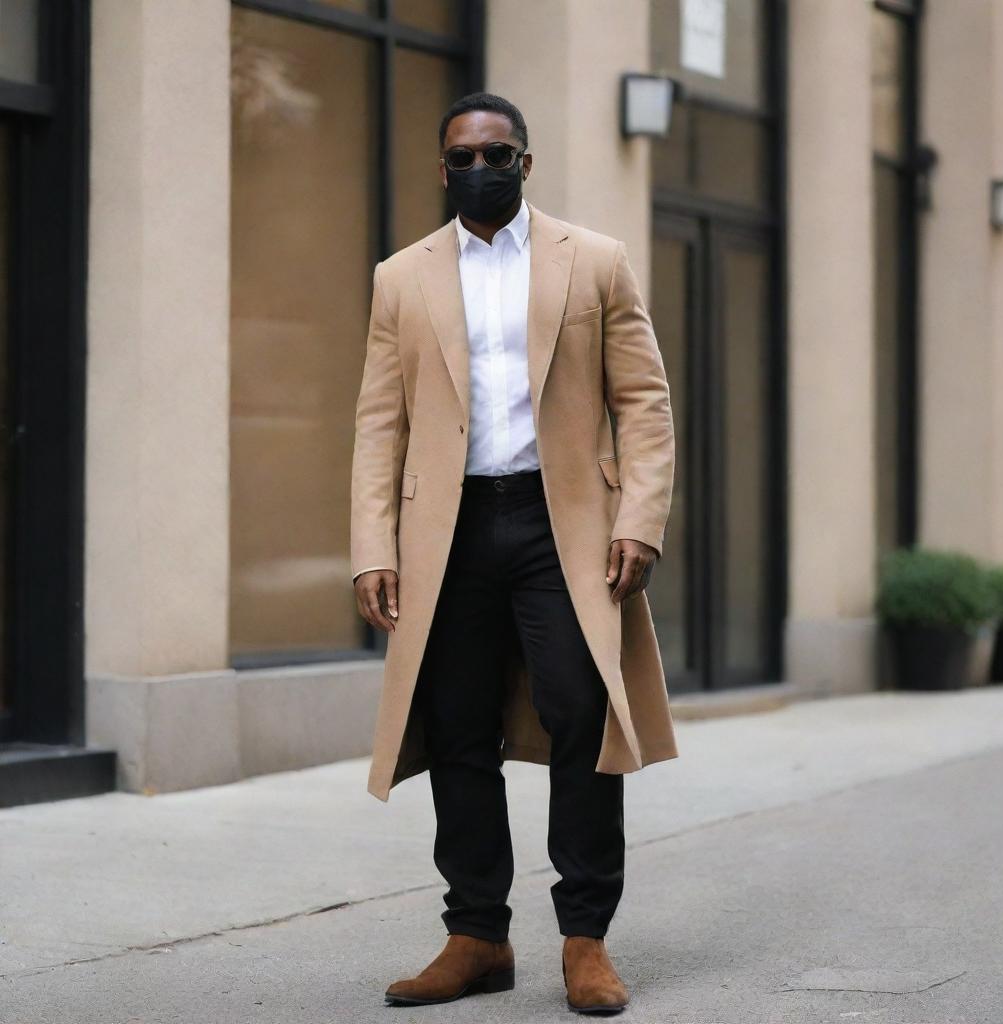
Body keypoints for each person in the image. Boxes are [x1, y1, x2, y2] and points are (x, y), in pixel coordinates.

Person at [350, 92, 677, 1014]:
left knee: (581, 714)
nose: (477, 171)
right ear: (441, 167)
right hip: (444, 529)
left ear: (524, 164)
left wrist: (638, 519)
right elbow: (380, 423)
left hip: (558, 524)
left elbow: (644, 401)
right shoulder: (400, 277)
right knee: (456, 726)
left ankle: (585, 938)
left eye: (495, 155)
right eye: (461, 157)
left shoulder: (595, 261)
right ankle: (477, 936)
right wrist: (373, 543)